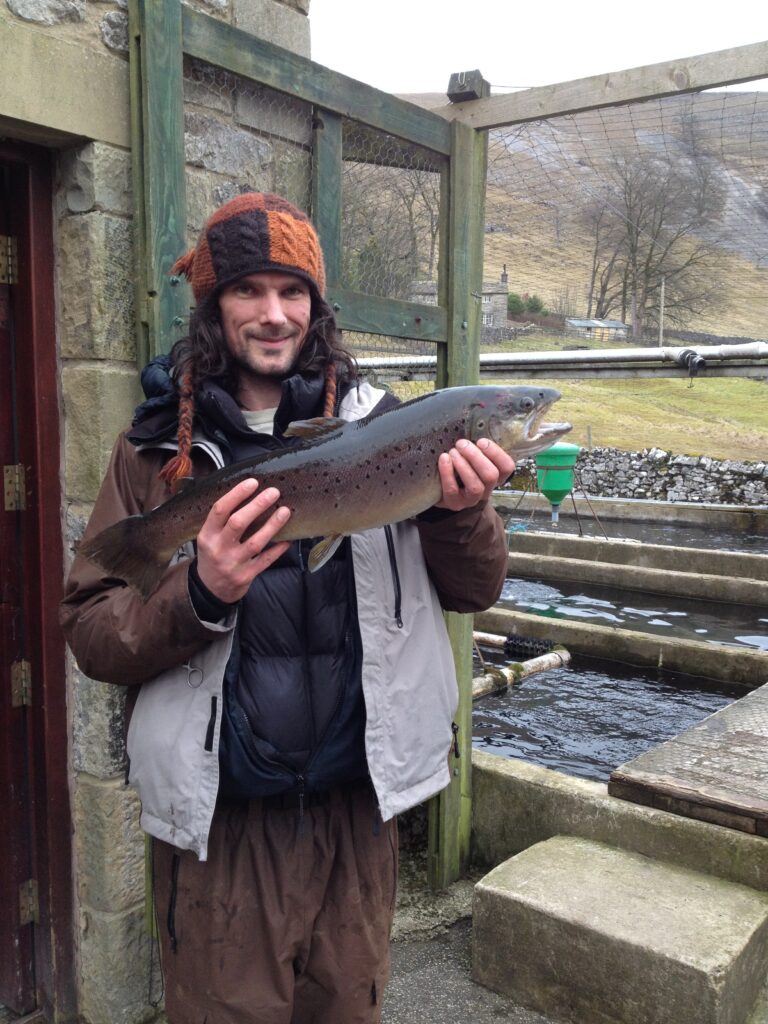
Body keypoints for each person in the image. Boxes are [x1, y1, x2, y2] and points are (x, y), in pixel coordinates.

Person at [61, 192, 513, 1024]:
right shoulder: (154, 451)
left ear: (317, 306)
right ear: (213, 306)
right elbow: (92, 634)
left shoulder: (397, 430)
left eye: (293, 291)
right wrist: (199, 595)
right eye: (249, 290)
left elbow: (475, 591)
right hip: (221, 833)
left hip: (355, 819)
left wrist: (459, 513)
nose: (274, 314)